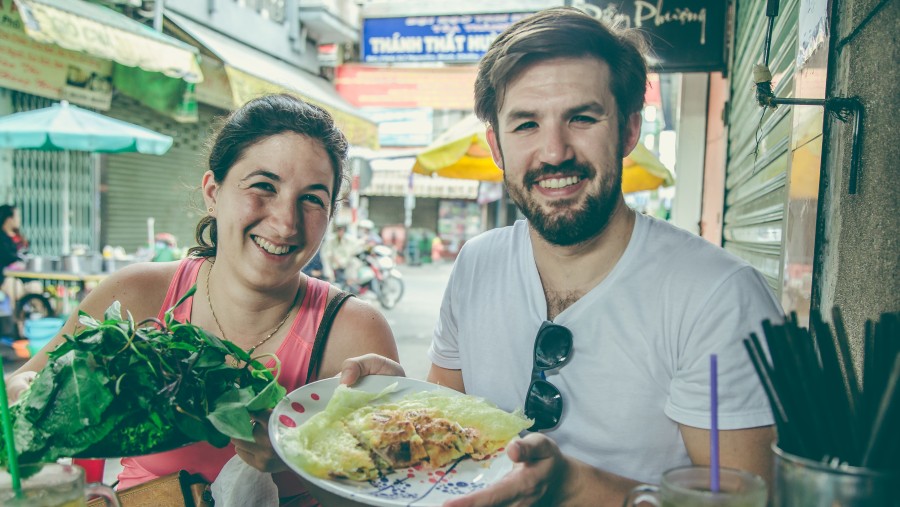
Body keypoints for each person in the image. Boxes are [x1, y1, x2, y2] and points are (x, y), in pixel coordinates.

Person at [339, 8, 782, 506]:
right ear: (497, 146)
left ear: (629, 129)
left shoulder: (717, 296)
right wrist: (400, 410)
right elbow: (452, 430)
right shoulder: (477, 263)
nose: (554, 152)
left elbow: (747, 501)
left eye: (582, 118)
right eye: (526, 124)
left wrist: (571, 486)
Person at [5, 94, 398, 506]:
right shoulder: (136, 296)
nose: (285, 223)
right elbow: (19, 395)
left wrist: (302, 456)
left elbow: (393, 492)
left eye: (313, 198)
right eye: (263, 186)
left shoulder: (354, 333)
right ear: (213, 191)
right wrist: (28, 394)